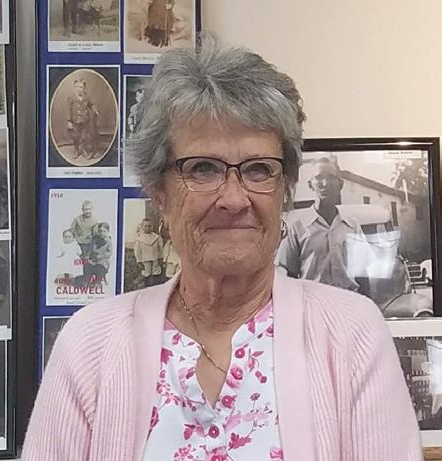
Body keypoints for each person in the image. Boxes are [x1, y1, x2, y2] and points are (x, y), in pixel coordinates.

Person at [23, 36, 422, 460]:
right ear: (158, 192)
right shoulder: (90, 345)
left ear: (285, 190)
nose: (234, 199)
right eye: (203, 169)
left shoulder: (352, 335)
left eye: (259, 169)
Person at [276, 157, 374, 295]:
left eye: (331, 177)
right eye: (318, 177)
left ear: (340, 184)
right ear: (310, 184)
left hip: (348, 300)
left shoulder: (352, 225)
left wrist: (366, 303)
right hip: (312, 301)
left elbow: (362, 272)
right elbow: (289, 274)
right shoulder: (297, 227)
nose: (325, 183)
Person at [66, 79, 99, 160]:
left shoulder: (87, 97)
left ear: (84, 88)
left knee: (85, 136)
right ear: (74, 88)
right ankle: (76, 150)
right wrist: (69, 121)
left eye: (81, 87)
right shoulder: (71, 97)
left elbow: (91, 105)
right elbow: (69, 109)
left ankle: (84, 150)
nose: (79, 89)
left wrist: (95, 110)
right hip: (75, 121)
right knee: (76, 136)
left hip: (85, 120)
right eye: (77, 87)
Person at [133, 217, 163, 287]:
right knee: (146, 274)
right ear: (142, 227)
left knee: (156, 273)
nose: (147, 228)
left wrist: (161, 257)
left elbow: (160, 248)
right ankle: (147, 286)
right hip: (145, 259)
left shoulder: (157, 237)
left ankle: (155, 287)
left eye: (149, 226)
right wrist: (139, 260)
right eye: (145, 226)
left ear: (152, 226)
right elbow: (137, 251)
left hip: (155, 258)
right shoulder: (140, 239)